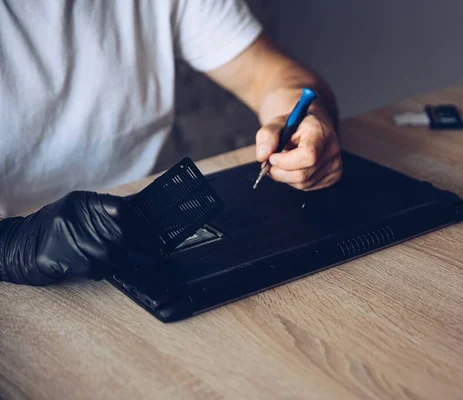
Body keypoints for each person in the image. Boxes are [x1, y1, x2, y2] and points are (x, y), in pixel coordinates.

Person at [0, 0, 341, 285]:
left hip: (156, 238)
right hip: (24, 283)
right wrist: (11, 247)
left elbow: (269, 76)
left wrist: (304, 123)